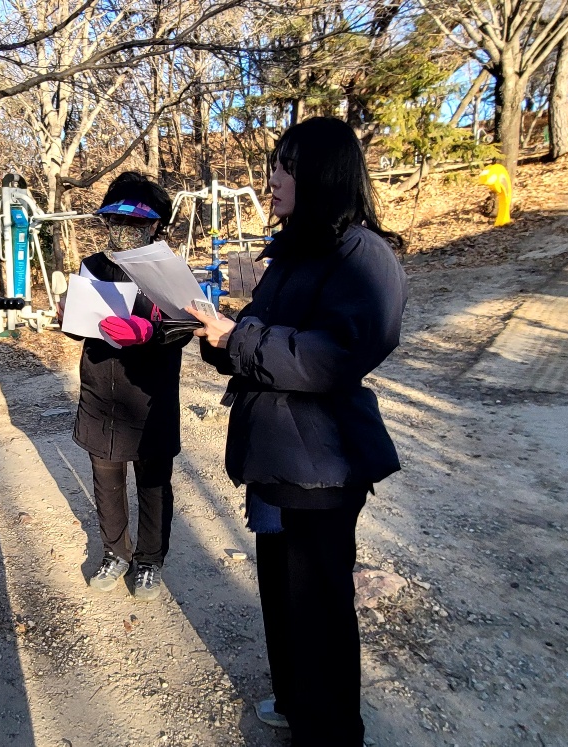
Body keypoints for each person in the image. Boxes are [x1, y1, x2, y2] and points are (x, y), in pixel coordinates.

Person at [187, 117, 408, 744]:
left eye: (284, 166)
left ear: (320, 173)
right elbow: (255, 338)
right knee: (283, 598)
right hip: (277, 455)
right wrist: (213, 329)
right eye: (274, 166)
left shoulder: (361, 254)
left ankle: (333, 732)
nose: (272, 179)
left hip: (323, 461)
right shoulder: (292, 249)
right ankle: (294, 703)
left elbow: (335, 354)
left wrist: (242, 337)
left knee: (320, 609)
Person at [67, 172, 191, 602]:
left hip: (151, 395)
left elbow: (186, 325)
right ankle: (115, 551)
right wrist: (71, 314)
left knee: (154, 482)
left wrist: (150, 332)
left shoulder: (169, 270)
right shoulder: (93, 266)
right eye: (115, 223)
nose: (124, 233)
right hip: (102, 390)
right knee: (106, 477)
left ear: (156, 225)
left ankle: (151, 558)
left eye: (135, 224)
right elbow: (76, 325)